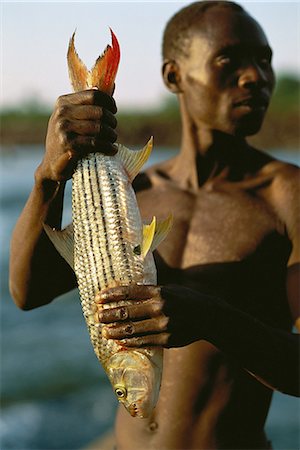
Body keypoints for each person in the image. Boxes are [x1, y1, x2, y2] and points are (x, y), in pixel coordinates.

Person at [9, 1, 299, 449]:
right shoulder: (133, 189)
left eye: (265, 61)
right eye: (230, 59)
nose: (256, 77)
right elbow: (28, 293)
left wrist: (209, 317)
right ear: (173, 77)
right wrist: (47, 177)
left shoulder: (287, 197)